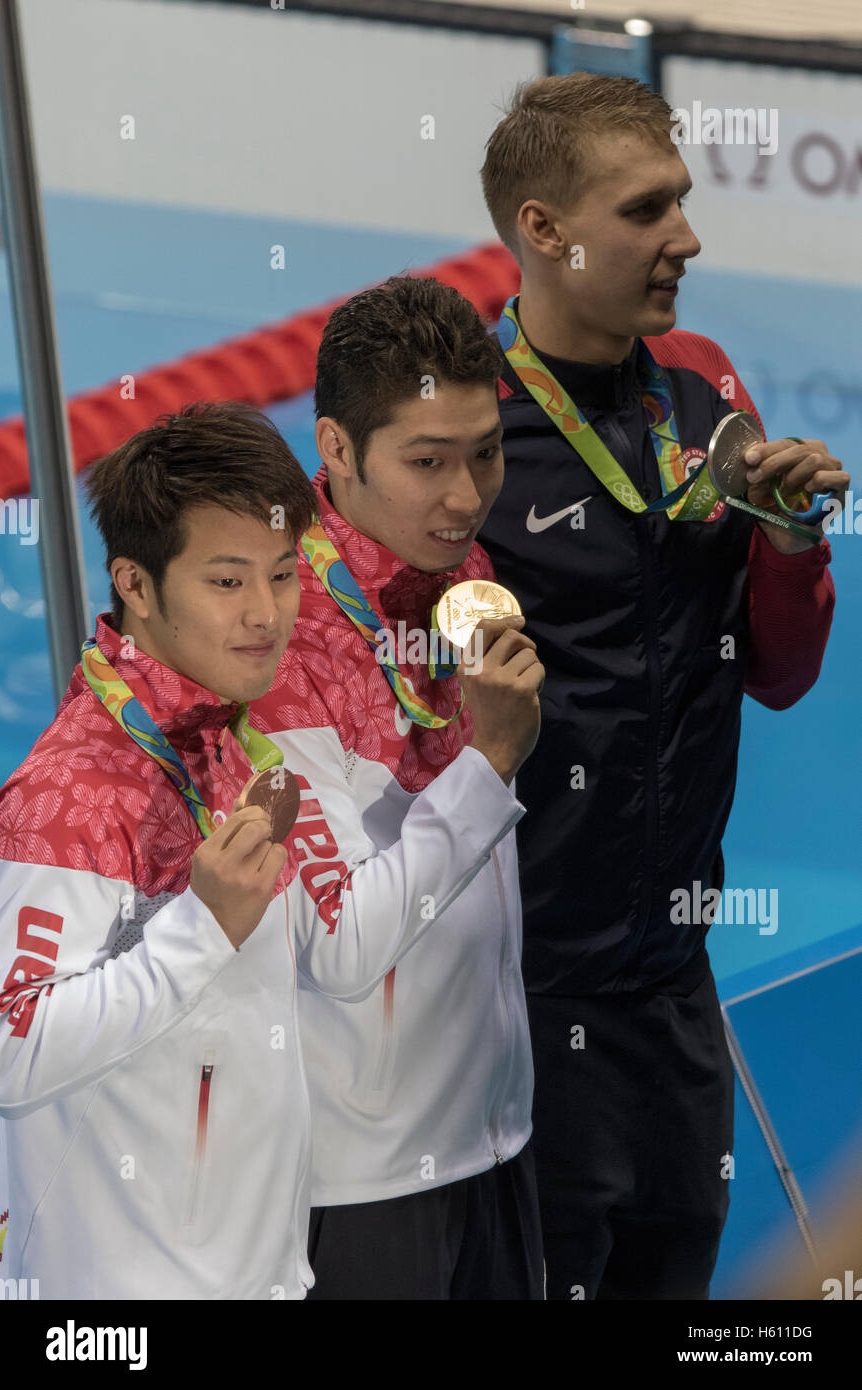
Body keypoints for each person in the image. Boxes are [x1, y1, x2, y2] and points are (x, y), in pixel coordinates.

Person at [0, 400, 538, 1299]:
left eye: (283, 575)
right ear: (134, 583)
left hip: (263, 1273)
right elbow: (11, 1050)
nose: (265, 616)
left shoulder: (227, 738)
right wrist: (202, 931)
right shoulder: (78, 792)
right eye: (226, 582)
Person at [476, 73, 848, 1300]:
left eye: (680, 202)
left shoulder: (699, 384)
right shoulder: (465, 441)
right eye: (646, 211)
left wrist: (789, 543)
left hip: (678, 978)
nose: (684, 238)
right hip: (517, 991)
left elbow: (780, 677)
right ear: (543, 229)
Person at [249, 274, 546, 1299]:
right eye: (426, 462)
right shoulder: (275, 638)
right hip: (358, 1183)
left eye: (485, 453)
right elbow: (334, 945)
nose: (465, 495)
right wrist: (490, 762)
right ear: (335, 449)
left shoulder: (463, 571)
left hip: (495, 1137)